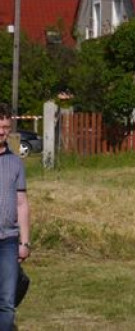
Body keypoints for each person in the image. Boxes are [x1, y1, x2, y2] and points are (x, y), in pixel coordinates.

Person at [0, 105, 31, 331]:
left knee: (6, 303)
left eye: (6, 127)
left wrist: (25, 242)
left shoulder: (15, 163)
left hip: (8, 241)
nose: (2, 132)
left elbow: (22, 204)